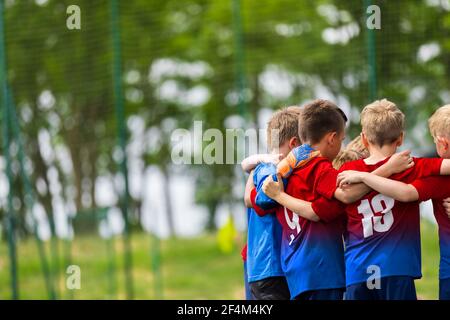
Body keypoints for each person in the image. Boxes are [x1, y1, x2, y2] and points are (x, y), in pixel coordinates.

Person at [254, 99, 410, 300]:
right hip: (321, 270)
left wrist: (278, 195)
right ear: (332, 138)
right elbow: (346, 195)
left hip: (294, 268)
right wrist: (387, 169)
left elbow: (258, 201)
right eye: (342, 139)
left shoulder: (286, 169)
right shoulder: (320, 167)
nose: (341, 145)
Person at [336, 104, 450, 300]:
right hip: (397, 267)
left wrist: (365, 176)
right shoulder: (412, 166)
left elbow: (343, 196)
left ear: (363, 139)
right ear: (401, 138)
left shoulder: (350, 171)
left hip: (359, 269)